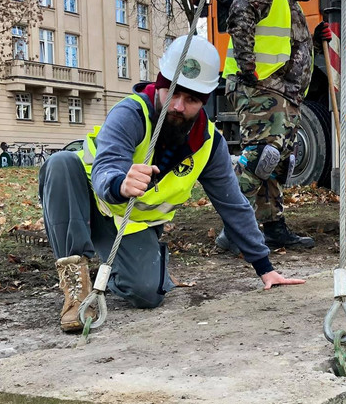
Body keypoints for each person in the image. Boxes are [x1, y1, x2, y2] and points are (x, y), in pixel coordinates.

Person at [38, 35, 304, 333]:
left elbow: (233, 205)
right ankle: (76, 287)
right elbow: (106, 165)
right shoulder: (131, 113)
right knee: (60, 164)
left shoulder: (208, 143)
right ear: (161, 83)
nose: (178, 105)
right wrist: (119, 184)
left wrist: (264, 268)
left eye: (191, 99)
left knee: (147, 294)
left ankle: (110, 271)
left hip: (131, 225)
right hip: (87, 201)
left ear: (204, 101)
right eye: (173, 92)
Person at [216, 0, 332, 254]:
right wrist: (248, 67)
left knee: (279, 162)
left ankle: (273, 226)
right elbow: (240, 18)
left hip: (285, 95)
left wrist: (313, 35)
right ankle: (233, 227)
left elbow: (285, 41)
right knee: (262, 153)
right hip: (260, 88)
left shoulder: (291, 2)